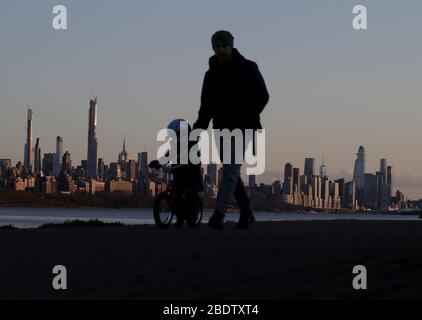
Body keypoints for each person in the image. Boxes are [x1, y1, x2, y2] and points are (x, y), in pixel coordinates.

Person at [193, 30, 269, 229]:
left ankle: (219, 214)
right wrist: (197, 131)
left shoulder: (248, 68)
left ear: (231, 46)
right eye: (217, 46)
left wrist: (249, 114)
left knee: (229, 173)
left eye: (224, 46)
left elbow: (263, 95)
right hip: (221, 129)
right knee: (231, 173)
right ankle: (246, 211)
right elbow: (206, 107)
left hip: (243, 128)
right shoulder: (210, 75)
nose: (220, 50)